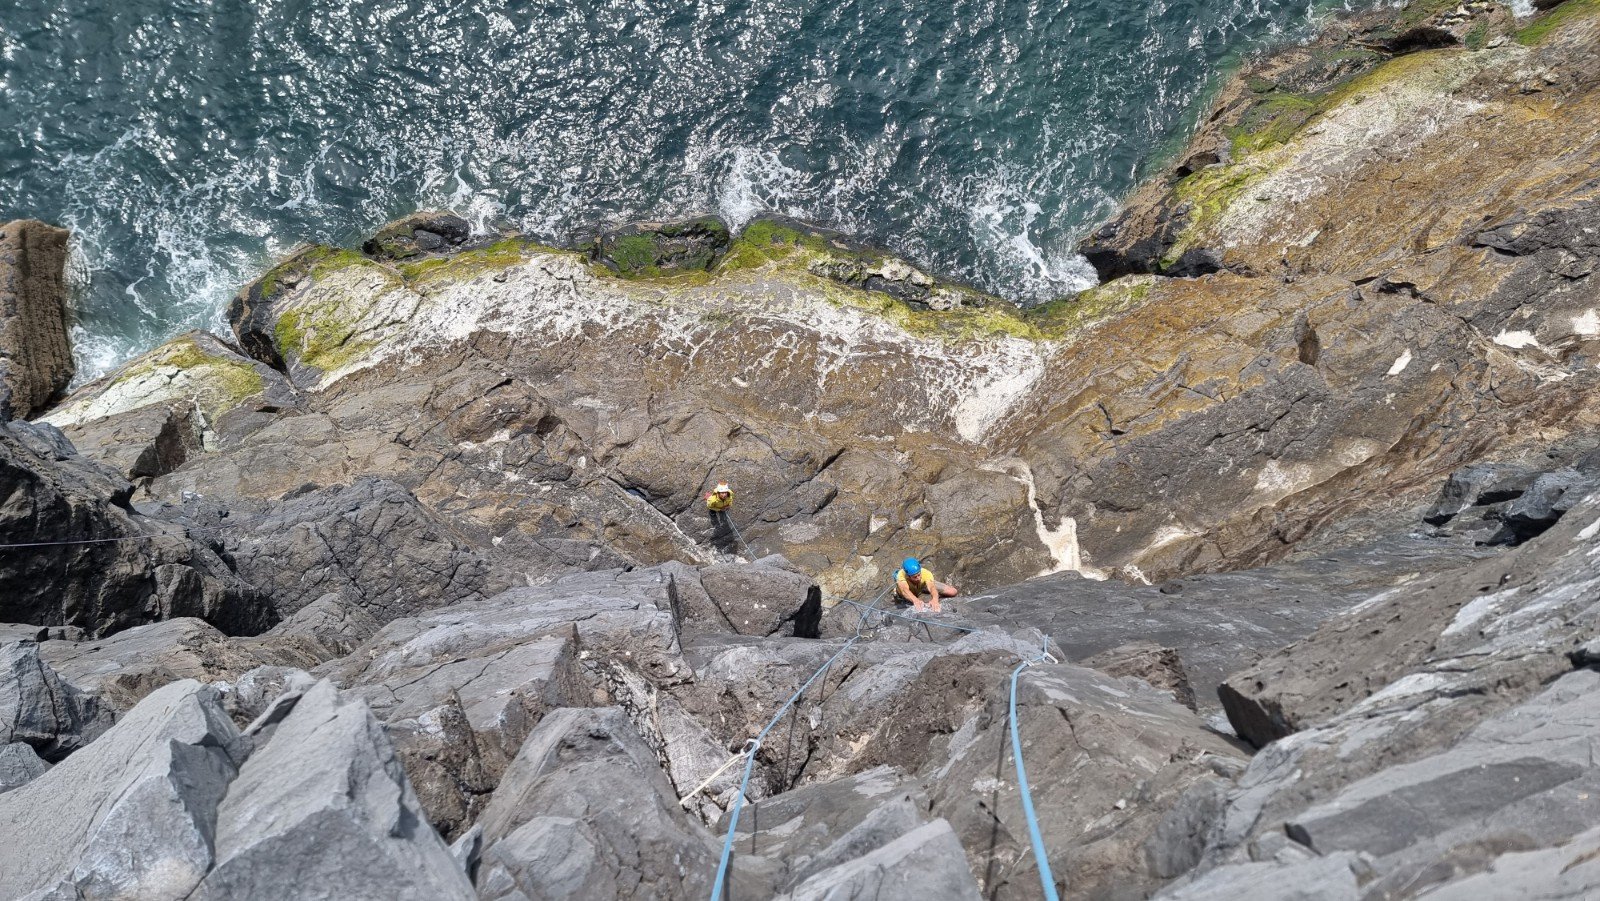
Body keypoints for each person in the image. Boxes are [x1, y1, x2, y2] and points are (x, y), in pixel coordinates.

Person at [705, 482, 735, 548]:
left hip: (723, 506)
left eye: (725, 492)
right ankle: (713, 514)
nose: (724, 495)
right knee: (712, 511)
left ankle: (721, 512)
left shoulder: (729, 494)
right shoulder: (712, 500)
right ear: (718, 493)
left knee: (722, 513)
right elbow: (709, 506)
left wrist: (728, 506)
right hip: (715, 507)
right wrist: (719, 509)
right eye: (722, 493)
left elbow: (731, 499)